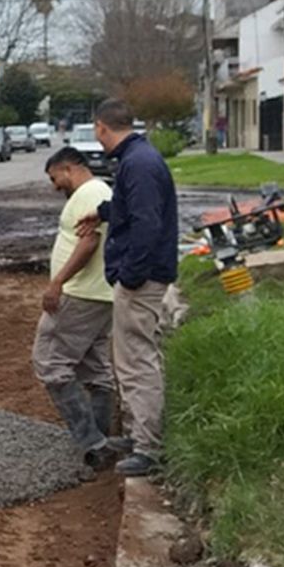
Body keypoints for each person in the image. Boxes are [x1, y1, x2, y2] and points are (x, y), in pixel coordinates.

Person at [75, 99, 178, 477]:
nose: (98, 140)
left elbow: (146, 223)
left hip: (143, 277)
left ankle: (148, 448)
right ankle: (137, 435)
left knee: (136, 362)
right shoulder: (138, 159)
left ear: (102, 127)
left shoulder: (138, 164)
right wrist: (102, 214)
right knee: (135, 357)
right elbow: (129, 207)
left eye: (96, 132)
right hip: (144, 273)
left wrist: (130, 274)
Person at [33, 147, 130, 471]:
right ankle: (101, 440)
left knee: (50, 362)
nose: (54, 185)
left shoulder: (91, 192)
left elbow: (88, 243)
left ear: (68, 168)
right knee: (95, 368)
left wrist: (58, 281)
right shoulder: (98, 192)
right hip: (98, 295)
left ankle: (92, 441)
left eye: (54, 178)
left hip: (81, 296)